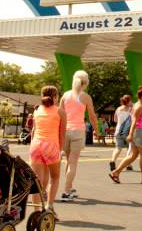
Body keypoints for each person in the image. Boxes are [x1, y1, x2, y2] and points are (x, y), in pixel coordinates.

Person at [59, 70, 97, 201]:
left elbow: (60, 114)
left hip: (65, 131)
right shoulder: (85, 97)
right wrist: (97, 130)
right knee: (73, 163)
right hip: (78, 131)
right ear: (85, 83)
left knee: (68, 162)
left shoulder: (65, 95)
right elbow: (92, 116)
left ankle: (68, 187)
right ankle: (66, 191)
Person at [29, 86, 66, 215]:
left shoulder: (37, 110)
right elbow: (62, 134)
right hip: (51, 146)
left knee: (37, 180)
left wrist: (32, 146)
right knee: (54, 177)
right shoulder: (60, 111)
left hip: (36, 145)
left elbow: (33, 131)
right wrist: (61, 150)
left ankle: (36, 211)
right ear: (55, 97)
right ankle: (49, 206)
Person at [108, 87, 142, 184]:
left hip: (138, 132)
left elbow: (137, 115)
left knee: (133, 155)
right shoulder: (139, 107)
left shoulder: (137, 105)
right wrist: (130, 134)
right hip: (140, 132)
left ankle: (116, 172)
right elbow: (134, 121)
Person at [109, 95, 133, 171]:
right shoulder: (131, 109)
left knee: (118, 148)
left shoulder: (118, 109)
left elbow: (115, 120)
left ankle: (113, 160)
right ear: (129, 101)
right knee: (129, 148)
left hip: (118, 130)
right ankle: (128, 164)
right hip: (127, 131)